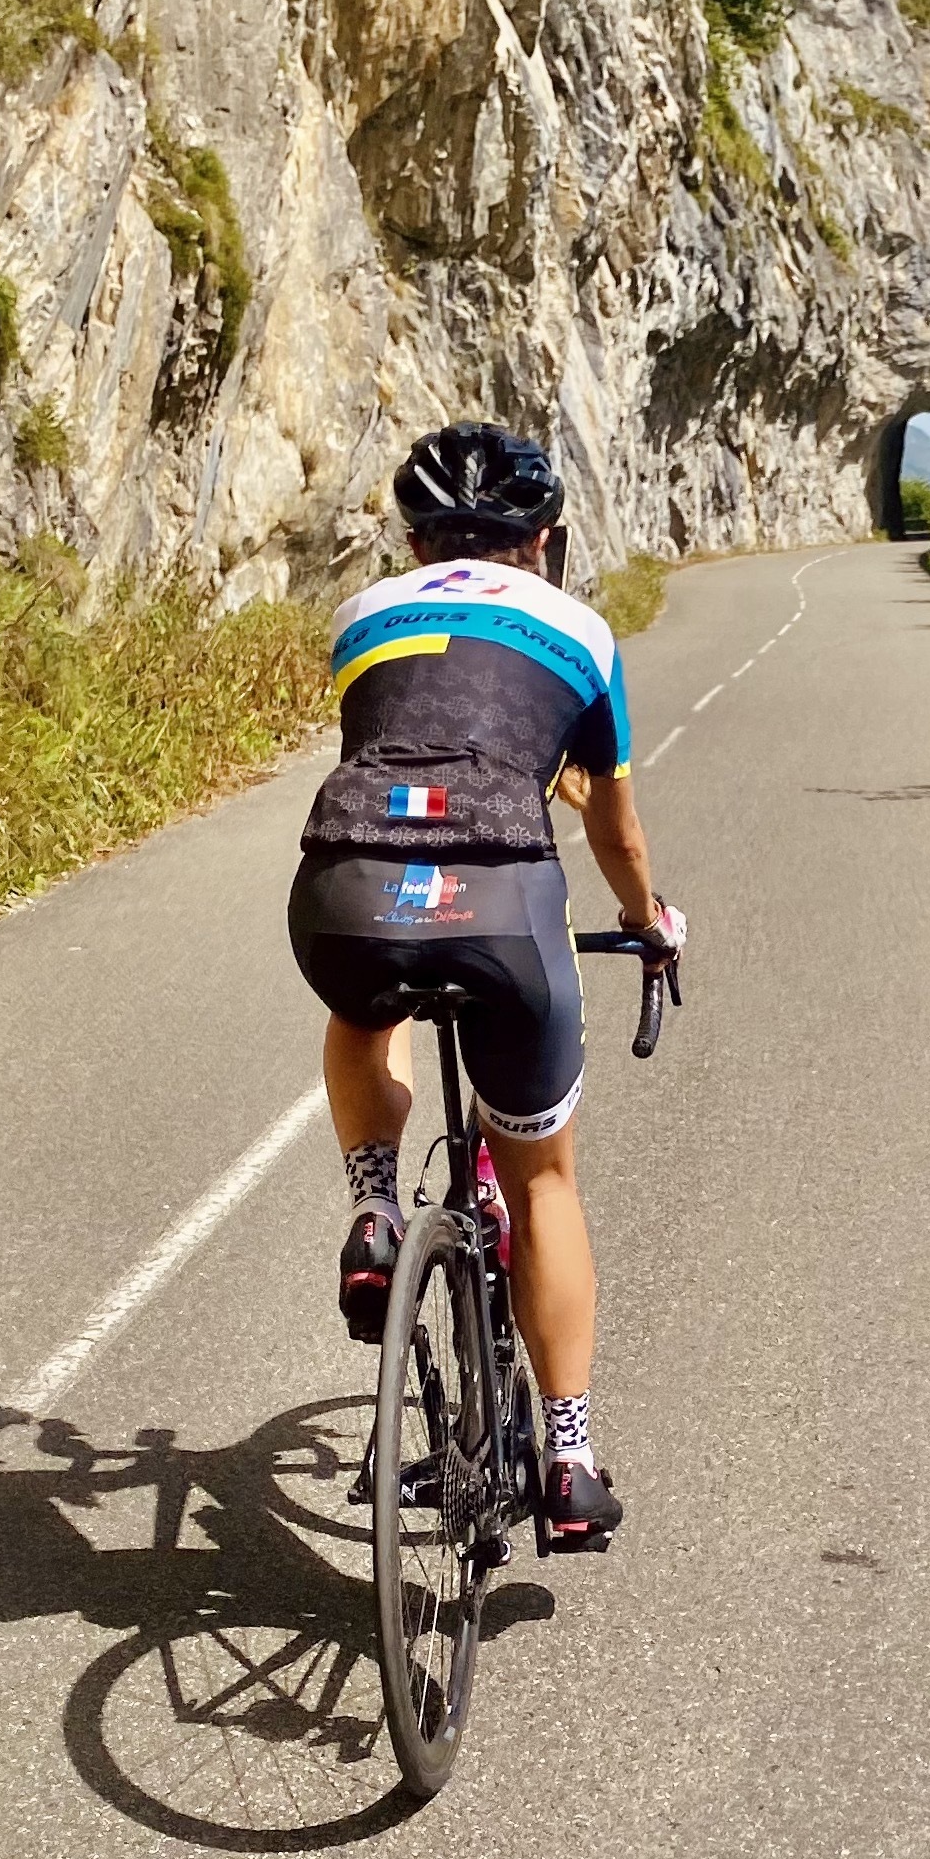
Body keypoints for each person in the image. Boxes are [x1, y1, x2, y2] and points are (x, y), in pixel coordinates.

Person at [286, 422, 683, 1552]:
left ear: (414, 541)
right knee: (543, 1181)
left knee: (363, 1009)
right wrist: (646, 924)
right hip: (504, 907)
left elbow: (422, 744)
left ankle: (373, 1208)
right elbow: (610, 822)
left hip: (347, 888)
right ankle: (566, 1459)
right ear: (543, 540)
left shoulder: (362, 615)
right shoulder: (581, 631)